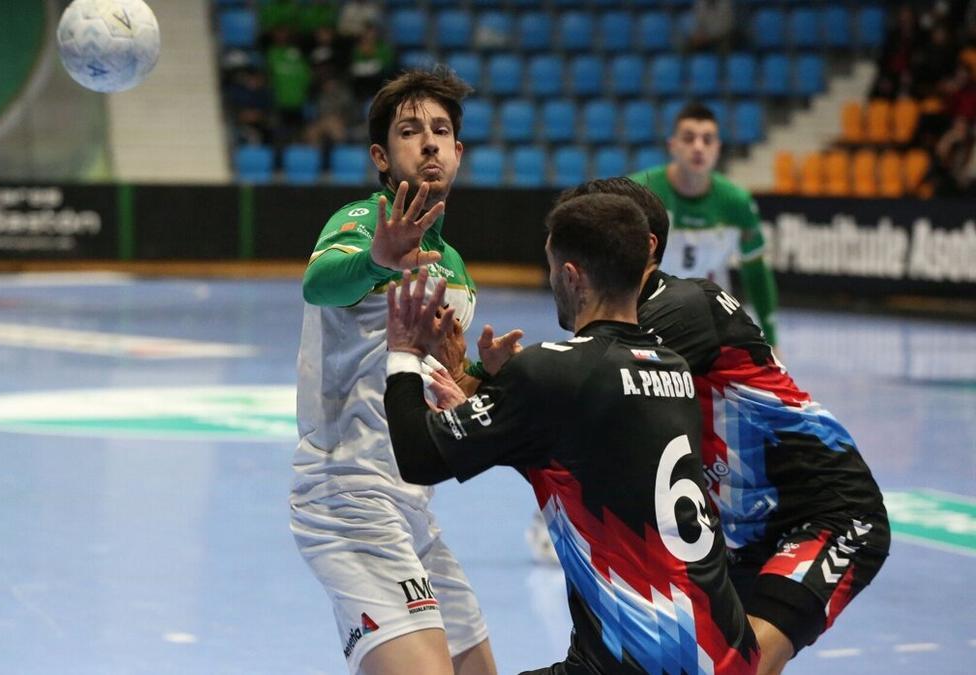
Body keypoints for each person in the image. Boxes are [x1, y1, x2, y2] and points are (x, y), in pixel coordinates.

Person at [383, 194, 760, 675]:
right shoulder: (674, 369)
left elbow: (417, 457)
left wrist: (404, 352)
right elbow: (584, 469)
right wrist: (494, 399)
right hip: (727, 651)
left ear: (571, 276)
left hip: (642, 661)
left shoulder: (555, 370)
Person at [564, 178, 889, 675]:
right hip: (738, 538)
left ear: (645, 246)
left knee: (737, 668)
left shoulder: (683, 306)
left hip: (826, 512)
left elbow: (576, 388)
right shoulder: (625, 324)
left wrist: (479, 386)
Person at [289, 68, 498, 675]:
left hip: (411, 506)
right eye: (410, 132)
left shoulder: (456, 269)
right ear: (382, 156)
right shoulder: (361, 222)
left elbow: (442, 392)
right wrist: (378, 258)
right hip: (345, 495)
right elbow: (318, 284)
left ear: (458, 152)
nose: (429, 143)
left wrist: (483, 374)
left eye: (441, 131)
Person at [629, 103, 780, 347]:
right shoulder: (639, 192)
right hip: (642, 320)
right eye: (689, 138)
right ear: (673, 146)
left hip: (709, 327)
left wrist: (772, 340)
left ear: (717, 148)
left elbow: (757, 274)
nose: (698, 147)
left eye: (707, 140)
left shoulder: (737, 203)